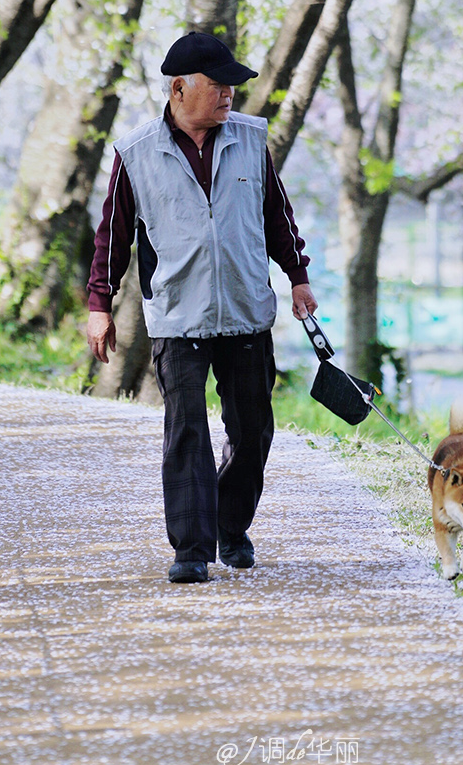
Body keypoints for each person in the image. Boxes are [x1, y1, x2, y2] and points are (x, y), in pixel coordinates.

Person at [85, 32, 318, 584]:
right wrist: (100, 304)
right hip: (177, 314)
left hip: (244, 310)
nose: (229, 95)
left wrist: (298, 277)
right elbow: (112, 236)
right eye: (218, 85)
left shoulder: (249, 139)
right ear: (179, 88)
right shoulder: (136, 153)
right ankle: (191, 548)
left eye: (232, 86)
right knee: (186, 430)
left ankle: (231, 529)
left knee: (253, 427)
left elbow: (276, 216)